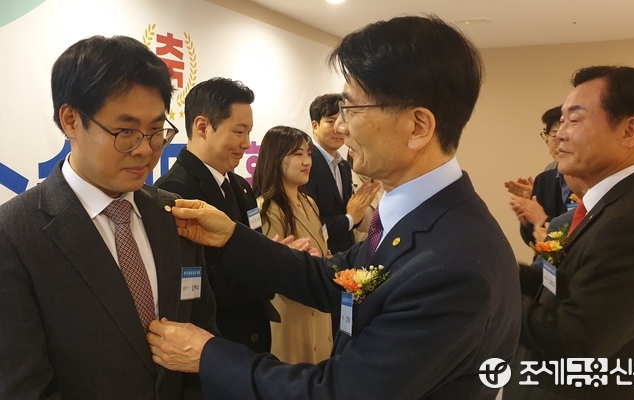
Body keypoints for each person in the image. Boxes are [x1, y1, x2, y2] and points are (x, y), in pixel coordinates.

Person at [148, 15, 521, 400]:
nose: (342, 128)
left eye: (352, 109)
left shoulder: (451, 265)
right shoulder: (416, 219)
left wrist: (208, 355)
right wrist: (230, 237)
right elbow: (334, 277)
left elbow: (341, 392)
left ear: (417, 127)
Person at [0, 35, 218, 399]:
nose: (145, 150)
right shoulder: (14, 234)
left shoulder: (173, 213)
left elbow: (202, 337)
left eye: (156, 131)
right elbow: (23, 386)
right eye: (126, 132)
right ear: (71, 120)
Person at [508, 66, 634, 399]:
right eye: (560, 122)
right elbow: (559, 283)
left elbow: (575, 342)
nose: (559, 135)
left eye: (575, 120)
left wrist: (497, 294)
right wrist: (503, 271)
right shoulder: (588, 212)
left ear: (629, 131)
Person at [155, 78, 278, 353]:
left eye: (249, 132)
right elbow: (195, 285)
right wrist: (270, 269)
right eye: (238, 132)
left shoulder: (240, 185)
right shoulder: (174, 192)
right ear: (202, 127)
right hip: (216, 345)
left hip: (253, 338)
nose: (246, 143)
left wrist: (273, 255)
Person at [252, 126, 334, 364]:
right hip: (291, 315)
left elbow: (324, 251)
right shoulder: (266, 207)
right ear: (276, 158)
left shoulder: (310, 203)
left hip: (319, 307)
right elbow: (272, 269)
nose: (307, 161)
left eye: (308, 154)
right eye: (298, 154)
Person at [305, 93, 377, 253]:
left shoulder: (344, 166)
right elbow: (310, 223)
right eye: (330, 121)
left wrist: (358, 211)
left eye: (343, 121)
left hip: (346, 253)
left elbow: (351, 215)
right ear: (315, 125)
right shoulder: (306, 164)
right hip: (321, 255)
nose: (338, 128)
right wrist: (349, 219)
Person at [508, 106, 578, 244]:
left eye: (563, 135)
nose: (558, 142)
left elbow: (583, 234)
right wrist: (528, 221)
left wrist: (542, 219)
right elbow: (533, 241)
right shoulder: (544, 179)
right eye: (554, 135)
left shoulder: (590, 180)